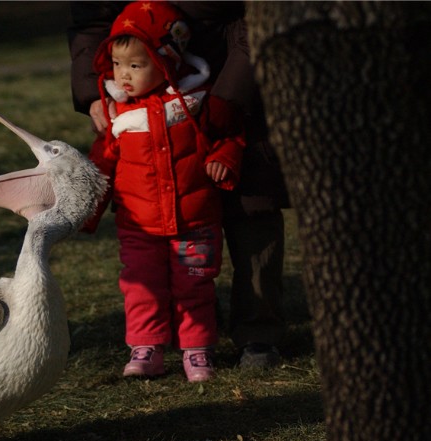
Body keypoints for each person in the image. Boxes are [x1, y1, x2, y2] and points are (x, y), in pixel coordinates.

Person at [68, 1, 289, 371]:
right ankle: (191, 334)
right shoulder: (127, 105)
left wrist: (231, 93)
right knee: (169, 261)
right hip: (143, 60)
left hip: (235, 68)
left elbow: (261, 15)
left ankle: (258, 330)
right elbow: (91, 17)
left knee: (253, 206)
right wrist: (95, 90)